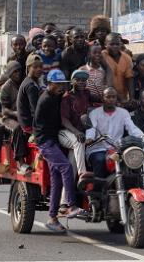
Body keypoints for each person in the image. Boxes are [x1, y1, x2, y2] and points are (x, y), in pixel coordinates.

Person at [34, 69, 85, 232]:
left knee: (56, 179)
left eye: (63, 84)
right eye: (58, 84)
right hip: (46, 142)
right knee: (66, 167)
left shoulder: (56, 96)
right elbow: (42, 126)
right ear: (49, 84)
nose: (61, 87)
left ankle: (52, 218)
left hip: (54, 141)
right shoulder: (46, 100)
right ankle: (70, 205)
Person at [86, 87, 144, 178]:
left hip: (117, 147)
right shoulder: (94, 113)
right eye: (108, 97)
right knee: (100, 160)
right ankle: (98, 188)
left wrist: (141, 136)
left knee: (131, 159)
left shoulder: (123, 113)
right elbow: (91, 128)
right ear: (102, 98)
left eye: (113, 97)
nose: (111, 99)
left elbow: (131, 127)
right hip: (98, 147)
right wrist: (89, 138)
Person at [60, 70, 96, 176]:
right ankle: (82, 174)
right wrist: (76, 132)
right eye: (78, 80)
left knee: (72, 165)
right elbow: (64, 120)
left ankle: (68, 190)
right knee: (79, 142)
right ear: (72, 82)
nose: (81, 82)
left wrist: (109, 97)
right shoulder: (67, 97)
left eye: (84, 80)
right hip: (67, 132)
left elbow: (100, 99)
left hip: (80, 134)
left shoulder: (86, 93)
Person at [15, 54, 44, 175]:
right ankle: (22, 164)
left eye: (40, 67)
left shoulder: (33, 82)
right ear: (28, 68)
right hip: (27, 124)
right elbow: (36, 110)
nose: (38, 69)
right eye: (35, 67)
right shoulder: (31, 85)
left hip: (25, 121)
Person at [102, 33, 134, 103]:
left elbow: (129, 78)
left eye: (117, 44)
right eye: (112, 44)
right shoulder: (102, 56)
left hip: (123, 98)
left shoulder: (127, 58)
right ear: (105, 44)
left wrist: (131, 98)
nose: (115, 46)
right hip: (106, 97)